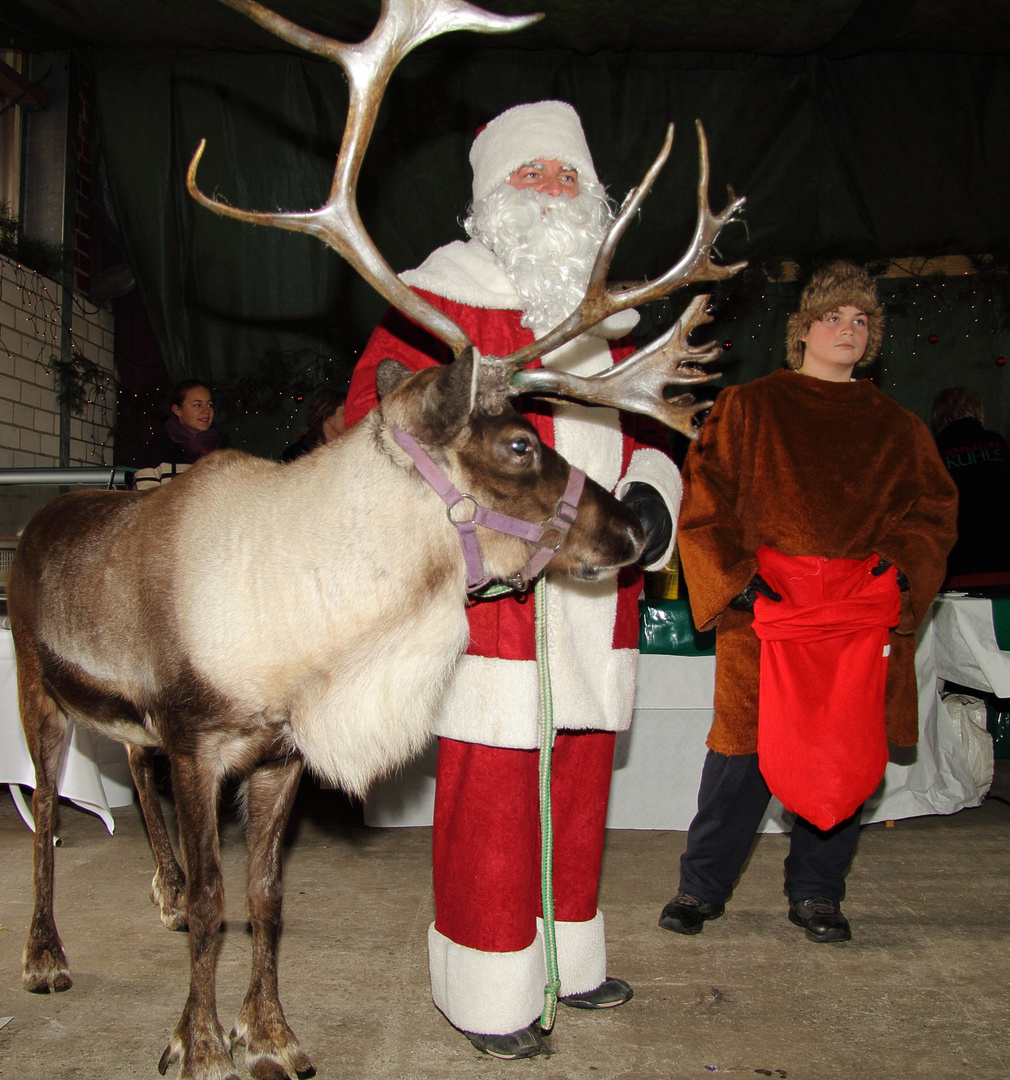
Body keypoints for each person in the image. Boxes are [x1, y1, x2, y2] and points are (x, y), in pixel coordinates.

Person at [345, 100, 681, 1059]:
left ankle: (568, 959)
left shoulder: (609, 317)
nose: (551, 190)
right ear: (490, 194)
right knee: (493, 791)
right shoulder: (437, 298)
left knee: (578, 782)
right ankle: (486, 985)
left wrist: (652, 495)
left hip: (597, 588)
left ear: (592, 196)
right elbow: (371, 429)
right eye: (530, 175)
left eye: (566, 175)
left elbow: (656, 430)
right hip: (497, 595)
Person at [658, 261, 957, 945]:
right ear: (802, 331)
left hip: (855, 616)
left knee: (841, 754)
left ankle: (817, 893)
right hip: (765, 613)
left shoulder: (898, 427)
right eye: (833, 317)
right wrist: (735, 580)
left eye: (860, 321)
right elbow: (704, 499)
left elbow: (934, 512)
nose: (847, 329)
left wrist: (899, 571)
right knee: (739, 757)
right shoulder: (748, 408)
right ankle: (699, 889)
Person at [931, 386, 1010, 587]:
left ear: (939, 416)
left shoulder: (932, 451)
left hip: (956, 566)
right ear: (978, 410)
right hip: (1004, 560)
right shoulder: (1000, 445)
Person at [133, 379, 230, 490]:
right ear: (177, 410)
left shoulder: (224, 448)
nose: (206, 411)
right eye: (197, 405)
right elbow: (145, 499)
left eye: (209, 405)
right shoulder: (157, 449)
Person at [281, 387, 347, 461]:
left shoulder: (349, 451)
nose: (349, 417)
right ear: (327, 417)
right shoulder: (296, 455)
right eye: (344, 413)